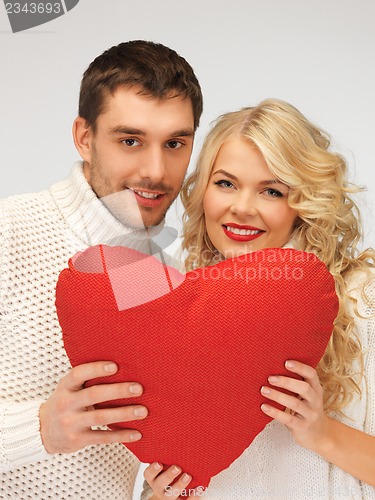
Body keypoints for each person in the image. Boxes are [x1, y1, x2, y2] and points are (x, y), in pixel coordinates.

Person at [0, 40, 202, 499]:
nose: (155, 169)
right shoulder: (9, 229)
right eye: (130, 140)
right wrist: (39, 429)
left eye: (175, 143)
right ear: (84, 138)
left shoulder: (170, 280)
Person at [144, 99, 375, 499]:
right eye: (226, 183)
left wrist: (321, 432)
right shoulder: (176, 302)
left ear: (302, 202)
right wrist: (160, 494)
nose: (242, 208)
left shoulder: (362, 298)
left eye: (271, 190)